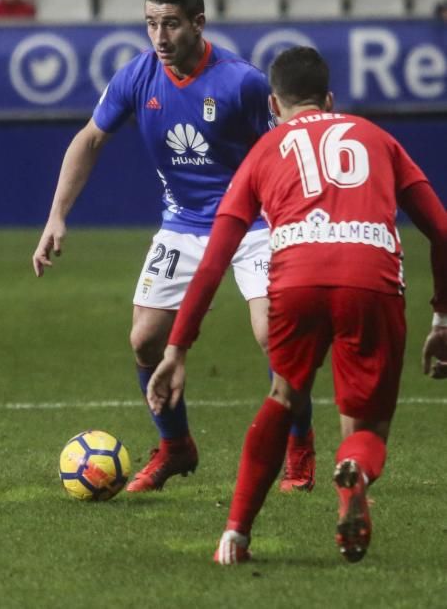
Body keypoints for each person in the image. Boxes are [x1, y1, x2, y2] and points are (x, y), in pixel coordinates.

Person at [147, 46, 447, 564]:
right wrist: (441, 315)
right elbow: (441, 232)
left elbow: (217, 258)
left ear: (274, 104)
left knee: (282, 395)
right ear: (330, 99)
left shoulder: (264, 149)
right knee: (366, 428)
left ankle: (235, 536)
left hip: (297, 277)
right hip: (370, 277)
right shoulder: (379, 139)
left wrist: (177, 348)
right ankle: (354, 472)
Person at [32, 0, 315, 493]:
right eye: (150, 24)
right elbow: (90, 139)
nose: (160, 38)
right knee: (144, 340)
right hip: (183, 223)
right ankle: (176, 447)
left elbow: (286, 150)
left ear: (199, 24)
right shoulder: (137, 77)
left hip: (252, 222)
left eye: (171, 25)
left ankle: (299, 445)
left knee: (272, 336)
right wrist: (57, 215)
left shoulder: (242, 83)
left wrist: (294, 218)